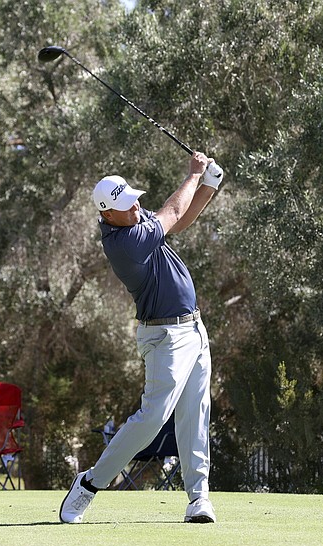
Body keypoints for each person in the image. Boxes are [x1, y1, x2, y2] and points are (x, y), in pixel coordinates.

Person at [59, 151, 223, 524]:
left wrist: (209, 185)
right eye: (125, 203)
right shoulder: (124, 242)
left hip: (194, 329)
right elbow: (171, 213)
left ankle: (198, 498)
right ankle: (89, 484)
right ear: (106, 215)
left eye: (133, 197)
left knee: (195, 415)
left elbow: (178, 223)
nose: (135, 205)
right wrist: (195, 174)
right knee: (153, 417)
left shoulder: (133, 218)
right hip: (165, 335)